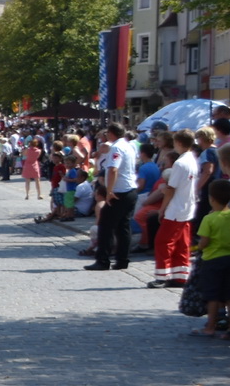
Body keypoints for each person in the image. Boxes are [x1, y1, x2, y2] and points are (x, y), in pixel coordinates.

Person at [85, 122, 139, 272]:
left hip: (119, 191)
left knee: (105, 225)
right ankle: (122, 259)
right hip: (130, 189)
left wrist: (109, 191)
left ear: (111, 133)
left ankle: (103, 260)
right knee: (123, 227)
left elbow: (113, 169)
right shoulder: (129, 145)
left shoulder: (116, 147)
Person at [150, 128, 200, 289]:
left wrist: (162, 208)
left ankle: (162, 276)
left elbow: (171, 189)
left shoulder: (180, 163)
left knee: (163, 241)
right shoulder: (192, 159)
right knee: (181, 242)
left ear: (178, 142)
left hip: (176, 207)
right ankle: (180, 276)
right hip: (187, 205)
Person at [192, 179, 230, 336]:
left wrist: (198, 247)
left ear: (211, 198)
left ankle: (210, 326)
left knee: (212, 294)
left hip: (212, 259)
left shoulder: (209, 219)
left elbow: (204, 242)